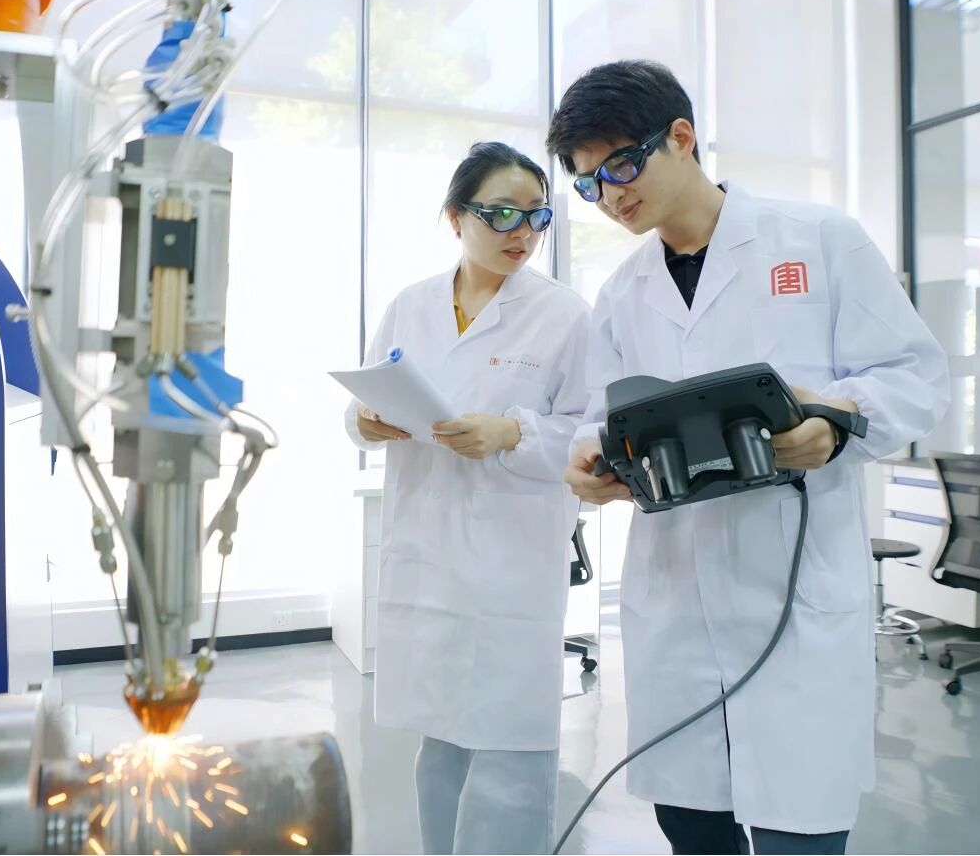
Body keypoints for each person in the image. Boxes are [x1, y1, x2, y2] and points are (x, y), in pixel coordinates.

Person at [546, 61, 949, 855]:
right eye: (589, 183)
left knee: (799, 830)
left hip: (793, 590)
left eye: (619, 165)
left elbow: (914, 376)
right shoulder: (621, 291)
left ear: (681, 138)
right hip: (675, 600)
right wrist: (588, 461)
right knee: (691, 826)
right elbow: (597, 416)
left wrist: (834, 424)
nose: (609, 195)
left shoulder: (818, 239)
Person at [343, 142, 590, 855]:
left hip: (511, 562)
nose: (523, 231)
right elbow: (362, 404)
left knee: (512, 749)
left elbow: (590, 434)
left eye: (537, 215)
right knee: (441, 740)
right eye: (502, 213)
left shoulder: (564, 315)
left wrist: (512, 432)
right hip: (427, 553)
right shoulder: (411, 305)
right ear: (455, 217)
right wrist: (366, 421)